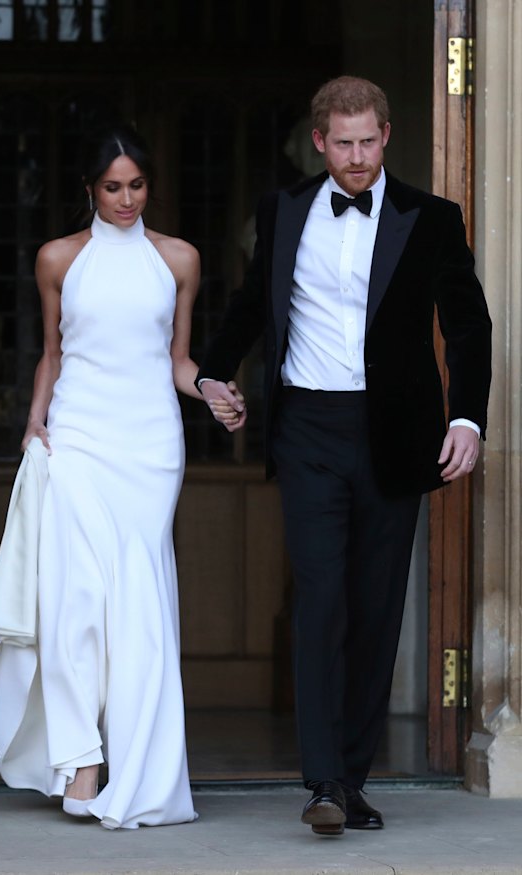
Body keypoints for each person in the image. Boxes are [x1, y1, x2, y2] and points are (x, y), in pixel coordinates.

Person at [197, 76, 492, 836]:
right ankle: (323, 781)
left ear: (386, 136)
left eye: (368, 142)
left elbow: (468, 325)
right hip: (308, 429)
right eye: (343, 143)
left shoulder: (432, 217)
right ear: (319, 141)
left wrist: (466, 418)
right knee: (322, 598)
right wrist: (212, 372)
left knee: (375, 608)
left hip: (395, 432)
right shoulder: (284, 209)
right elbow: (252, 304)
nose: (357, 157)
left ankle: (351, 780)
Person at [0, 125, 233, 830]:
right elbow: (53, 352)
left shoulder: (179, 258)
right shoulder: (58, 257)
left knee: (139, 605)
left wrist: (210, 388)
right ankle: (81, 761)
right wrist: (34, 423)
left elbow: (178, 360)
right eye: (112, 186)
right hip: (79, 437)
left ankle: (140, 767)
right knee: (76, 600)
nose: (125, 198)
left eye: (136, 185)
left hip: (151, 447)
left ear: (150, 185)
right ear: (90, 188)